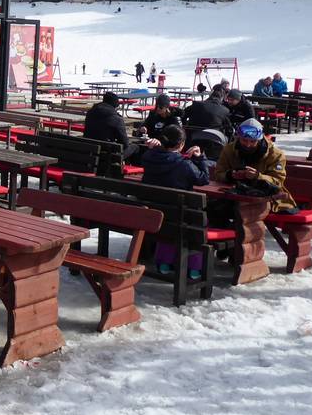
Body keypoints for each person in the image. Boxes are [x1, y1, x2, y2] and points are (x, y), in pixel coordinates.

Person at [141, 125, 209, 278]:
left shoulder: (149, 157)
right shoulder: (183, 164)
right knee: (194, 223)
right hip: (179, 217)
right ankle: (194, 267)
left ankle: (164, 262)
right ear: (181, 144)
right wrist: (199, 158)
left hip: (153, 214)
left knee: (171, 219)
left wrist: (154, 149)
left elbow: (151, 154)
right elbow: (203, 179)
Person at [213, 118, 294, 212]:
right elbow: (218, 173)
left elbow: (278, 182)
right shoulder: (229, 150)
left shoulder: (276, 155)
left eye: (252, 141)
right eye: (244, 140)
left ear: (259, 140)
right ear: (238, 137)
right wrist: (230, 175)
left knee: (243, 211)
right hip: (235, 195)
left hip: (268, 199)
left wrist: (258, 176)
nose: (248, 145)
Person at [84, 91, 139, 161]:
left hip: (90, 151)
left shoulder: (91, 113)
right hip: (107, 157)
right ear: (115, 106)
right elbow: (125, 143)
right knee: (135, 147)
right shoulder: (116, 118)